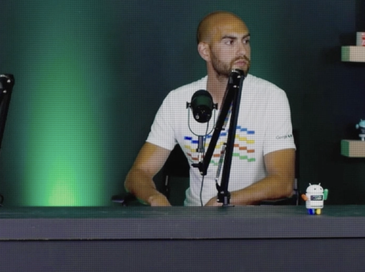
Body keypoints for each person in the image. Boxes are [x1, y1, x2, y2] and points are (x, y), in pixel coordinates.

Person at [124, 11, 296, 206]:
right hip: (192, 220)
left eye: (246, 41)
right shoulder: (177, 100)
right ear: (205, 51)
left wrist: (224, 201)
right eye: (230, 42)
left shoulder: (271, 97)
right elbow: (138, 173)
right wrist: (154, 198)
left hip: (248, 219)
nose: (242, 51)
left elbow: (283, 182)